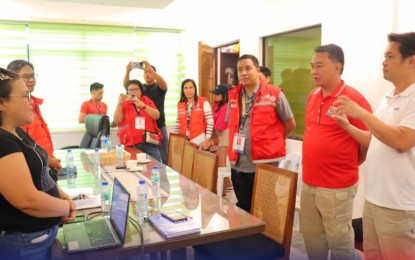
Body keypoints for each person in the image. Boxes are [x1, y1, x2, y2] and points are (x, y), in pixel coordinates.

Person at [333, 32, 415, 260]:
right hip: (374, 199)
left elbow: (401, 141)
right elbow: (375, 139)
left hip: (399, 205)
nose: (384, 61)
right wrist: (347, 125)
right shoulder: (388, 96)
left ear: (412, 61)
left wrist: (361, 113)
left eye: (390, 56)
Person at [301, 44, 372, 260]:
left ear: (338, 67)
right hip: (309, 184)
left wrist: (351, 163)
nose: (314, 71)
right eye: (312, 66)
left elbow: (369, 138)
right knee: (313, 242)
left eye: (319, 66)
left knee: (340, 246)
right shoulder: (313, 95)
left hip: (337, 187)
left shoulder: (353, 99)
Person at [0, 67, 76, 260]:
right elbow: (28, 201)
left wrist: (65, 197)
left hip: (41, 236)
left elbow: (42, 175)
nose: (31, 101)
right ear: (2, 103)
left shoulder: (16, 131)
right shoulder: (2, 141)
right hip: (25, 243)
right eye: (25, 96)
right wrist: (66, 207)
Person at [228, 54, 296, 212]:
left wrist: (273, 141)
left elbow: (290, 124)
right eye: (240, 70)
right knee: (244, 207)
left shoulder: (275, 94)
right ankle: (247, 237)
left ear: (257, 70)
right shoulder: (233, 95)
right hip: (238, 162)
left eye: (248, 68)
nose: (243, 73)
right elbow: (231, 124)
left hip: (265, 162)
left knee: (266, 208)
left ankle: (266, 238)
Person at [7, 60, 62, 171]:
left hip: (45, 166)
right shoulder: (14, 107)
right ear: (13, 79)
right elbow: (22, 146)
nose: (31, 80)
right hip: (33, 169)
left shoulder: (33, 102)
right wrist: (49, 160)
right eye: (26, 76)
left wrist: (50, 158)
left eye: (33, 75)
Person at [124, 61, 169, 164]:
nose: (147, 74)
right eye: (145, 72)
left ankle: (163, 179)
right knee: (144, 159)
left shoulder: (158, 87)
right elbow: (127, 87)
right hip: (145, 127)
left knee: (163, 156)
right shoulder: (141, 88)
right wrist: (127, 72)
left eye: (149, 72)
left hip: (159, 125)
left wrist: (152, 70)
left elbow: (163, 84)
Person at [114, 79, 162, 161]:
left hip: (149, 143)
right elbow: (117, 120)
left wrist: (143, 106)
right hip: (131, 144)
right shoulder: (124, 103)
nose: (133, 92)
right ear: (127, 92)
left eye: (136, 89)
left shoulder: (146, 100)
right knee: (133, 169)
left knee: (157, 165)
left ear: (141, 91)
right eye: (130, 90)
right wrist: (119, 104)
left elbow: (157, 116)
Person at [174, 78, 214, 148]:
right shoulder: (180, 104)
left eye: (191, 87)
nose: (188, 90)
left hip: (199, 140)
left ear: (195, 89)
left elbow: (210, 122)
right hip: (184, 140)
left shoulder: (203, 102)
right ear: (183, 90)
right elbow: (178, 124)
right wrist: (175, 139)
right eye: (186, 88)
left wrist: (207, 139)